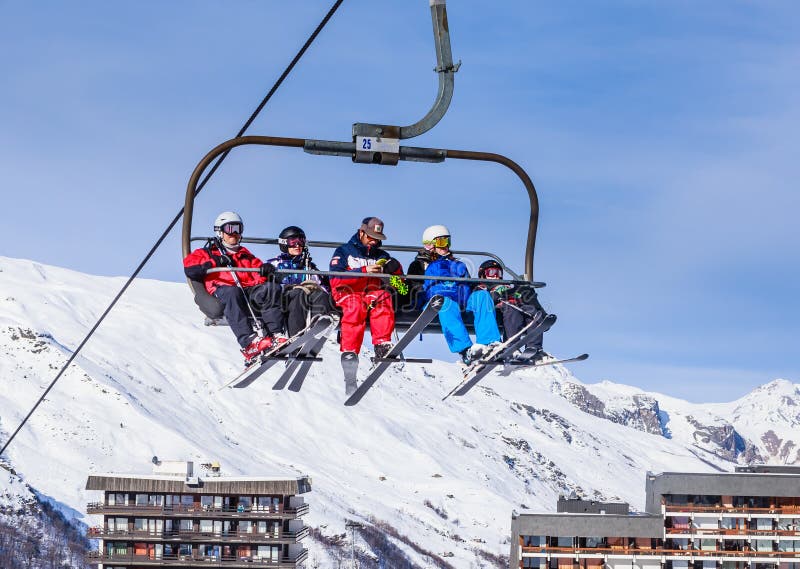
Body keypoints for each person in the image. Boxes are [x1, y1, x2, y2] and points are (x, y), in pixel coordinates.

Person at [182, 211, 280, 364]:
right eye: (229, 228)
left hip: (246, 290)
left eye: (238, 229)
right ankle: (248, 343)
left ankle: (276, 335)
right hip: (222, 290)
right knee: (232, 292)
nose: (234, 233)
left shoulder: (244, 254)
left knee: (270, 288)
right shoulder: (207, 252)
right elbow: (190, 268)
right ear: (220, 232)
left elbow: (257, 271)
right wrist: (216, 261)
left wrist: (266, 272)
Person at [408, 225, 501, 365]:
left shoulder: (457, 264)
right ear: (429, 245)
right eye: (441, 242)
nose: (445, 246)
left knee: (482, 296)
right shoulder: (419, 265)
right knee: (445, 303)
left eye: (448, 241)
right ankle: (465, 351)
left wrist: (477, 288)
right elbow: (412, 287)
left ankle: (489, 344)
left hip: (460, 302)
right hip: (434, 304)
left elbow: (468, 284)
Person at [329, 217, 403, 394]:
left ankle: (382, 345)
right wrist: (363, 271)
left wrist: (396, 272)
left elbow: (403, 288)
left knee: (384, 296)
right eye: (370, 236)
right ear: (361, 232)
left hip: (371, 295)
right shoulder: (344, 251)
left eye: (377, 238)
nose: (373, 241)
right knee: (355, 307)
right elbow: (335, 279)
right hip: (347, 293)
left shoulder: (383, 257)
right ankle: (350, 352)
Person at [263, 225, 336, 337]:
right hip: (285, 297)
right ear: (284, 243)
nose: (297, 245)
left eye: (301, 241)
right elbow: (265, 285)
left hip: (306, 295)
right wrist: (266, 271)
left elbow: (323, 285)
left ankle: (318, 325)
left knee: (321, 295)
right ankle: (295, 336)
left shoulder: (308, 266)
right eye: (293, 241)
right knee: (298, 294)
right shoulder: (276, 264)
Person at [478, 259, 548, 362]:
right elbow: (482, 301)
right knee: (512, 309)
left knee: (531, 311)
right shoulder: (482, 287)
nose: (496, 275)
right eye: (491, 272)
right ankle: (511, 346)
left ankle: (534, 348)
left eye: (499, 272)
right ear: (482, 275)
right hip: (500, 309)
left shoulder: (506, 285)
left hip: (516, 305)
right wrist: (496, 297)